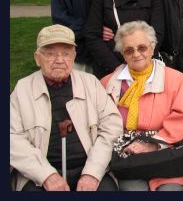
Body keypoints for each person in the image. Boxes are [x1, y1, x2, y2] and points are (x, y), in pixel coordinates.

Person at [9, 25, 122, 191]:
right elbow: (12, 139)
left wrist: (92, 172)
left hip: (90, 167)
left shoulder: (90, 83)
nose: (60, 60)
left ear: (74, 56)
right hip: (39, 174)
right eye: (50, 54)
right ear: (37, 58)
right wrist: (46, 175)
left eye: (66, 53)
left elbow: (112, 127)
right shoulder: (22, 89)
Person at [100, 20, 183, 191]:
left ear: (152, 48)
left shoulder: (175, 79)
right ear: (123, 54)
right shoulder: (108, 84)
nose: (136, 54)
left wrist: (151, 144)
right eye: (129, 50)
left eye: (142, 48)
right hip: (128, 158)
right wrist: (127, 147)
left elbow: (181, 121)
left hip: (166, 155)